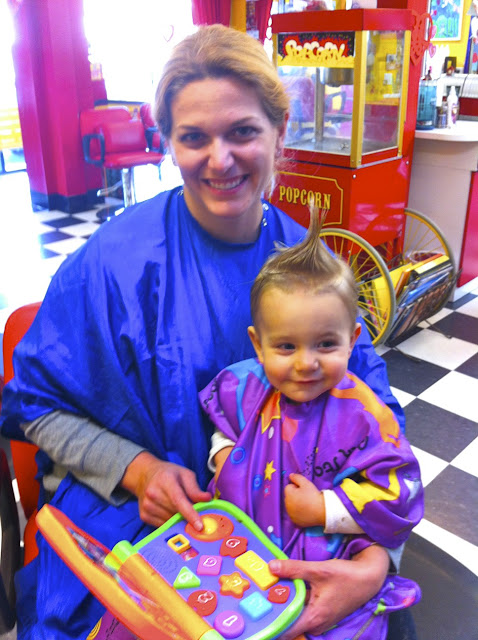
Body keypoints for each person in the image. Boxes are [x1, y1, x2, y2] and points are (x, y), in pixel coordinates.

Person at [0, 24, 410, 640]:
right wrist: (138, 469)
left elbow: (381, 429)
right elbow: (38, 408)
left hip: (292, 528)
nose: (220, 159)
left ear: (279, 132)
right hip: (140, 520)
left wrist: (377, 562)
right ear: (168, 142)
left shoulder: (311, 270)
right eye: (194, 137)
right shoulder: (112, 264)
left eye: (243, 131)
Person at [201, 209, 423, 639]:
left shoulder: (365, 416)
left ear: (352, 340)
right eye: (286, 346)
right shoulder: (245, 385)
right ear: (258, 344)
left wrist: (326, 508)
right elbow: (224, 422)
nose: (306, 363)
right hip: (242, 550)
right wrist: (222, 454)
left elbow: (399, 498)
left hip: (324, 557)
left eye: (325, 344)